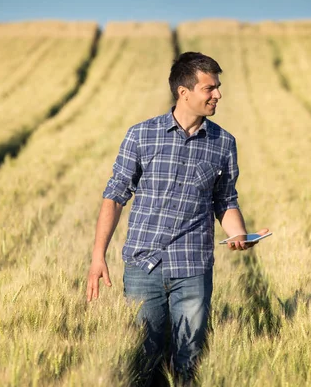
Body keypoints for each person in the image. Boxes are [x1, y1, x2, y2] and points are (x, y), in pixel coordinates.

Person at [86, 51, 268, 385]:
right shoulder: (141, 135)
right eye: (209, 88)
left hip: (193, 269)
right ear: (184, 92)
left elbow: (225, 200)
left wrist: (239, 233)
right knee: (143, 359)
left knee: (189, 363)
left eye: (218, 87)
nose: (218, 94)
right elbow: (114, 196)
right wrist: (98, 256)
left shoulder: (223, 143)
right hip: (144, 266)